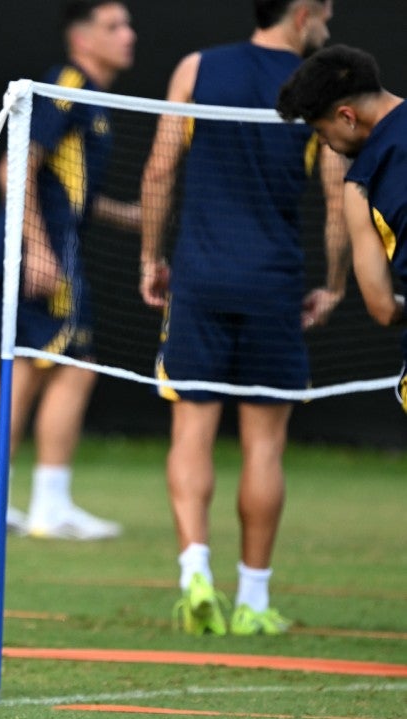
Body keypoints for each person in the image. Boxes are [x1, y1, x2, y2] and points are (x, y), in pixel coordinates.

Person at [139, 0, 344, 637]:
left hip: (198, 281)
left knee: (191, 433)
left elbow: (158, 169)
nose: (329, 27)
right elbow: (339, 201)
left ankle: (195, 574)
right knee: (264, 445)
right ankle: (253, 599)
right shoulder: (325, 86)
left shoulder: (197, 69)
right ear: (304, 11)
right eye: (327, 13)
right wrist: (335, 284)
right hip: (274, 286)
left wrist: (151, 257)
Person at [0, 0, 138, 540]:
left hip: (42, 248)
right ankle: (47, 506)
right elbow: (13, 167)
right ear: (82, 38)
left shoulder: (92, 97)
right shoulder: (65, 83)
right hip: (40, 254)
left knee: (29, 370)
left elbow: (71, 191)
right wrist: (38, 249)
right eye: (114, 26)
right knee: (71, 366)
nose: (129, 35)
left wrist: (130, 215)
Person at [277, 46, 407, 406]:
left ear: (347, 116)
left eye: (321, 131)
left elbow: (382, 307)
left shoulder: (360, 185)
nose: (324, 145)